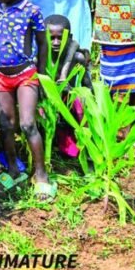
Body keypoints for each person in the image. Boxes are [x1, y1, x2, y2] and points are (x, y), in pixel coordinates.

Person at [0, 0, 51, 198]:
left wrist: (41, 75)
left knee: (27, 124)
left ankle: (41, 173)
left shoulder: (31, 11)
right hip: (1, 75)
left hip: (25, 74)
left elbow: (43, 44)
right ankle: (13, 169)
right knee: (5, 125)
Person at [44, 14, 90, 160]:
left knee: (80, 105)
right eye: (51, 38)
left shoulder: (77, 59)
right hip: (47, 106)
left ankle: (87, 148)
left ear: (69, 37)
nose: (56, 42)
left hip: (68, 106)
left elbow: (88, 88)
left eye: (60, 38)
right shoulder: (40, 59)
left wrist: (72, 92)